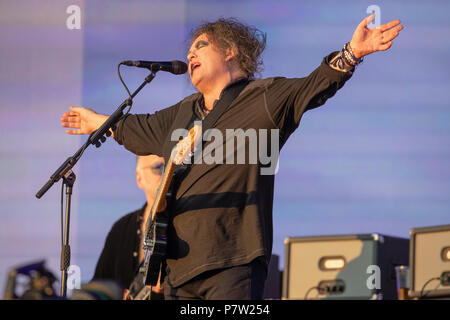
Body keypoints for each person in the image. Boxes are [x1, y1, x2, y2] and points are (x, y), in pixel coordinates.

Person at [61, 15, 403, 299]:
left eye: (201, 45)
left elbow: (312, 86)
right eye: (190, 48)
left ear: (230, 51)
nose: (191, 54)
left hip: (233, 263)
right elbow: (138, 128)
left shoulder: (263, 98)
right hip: (177, 272)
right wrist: (96, 121)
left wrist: (351, 53)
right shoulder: (180, 114)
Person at [92, 155, 165, 299]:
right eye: (158, 168)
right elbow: (100, 286)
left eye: (170, 167)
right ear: (139, 178)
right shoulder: (121, 229)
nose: (166, 173)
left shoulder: (189, 226)